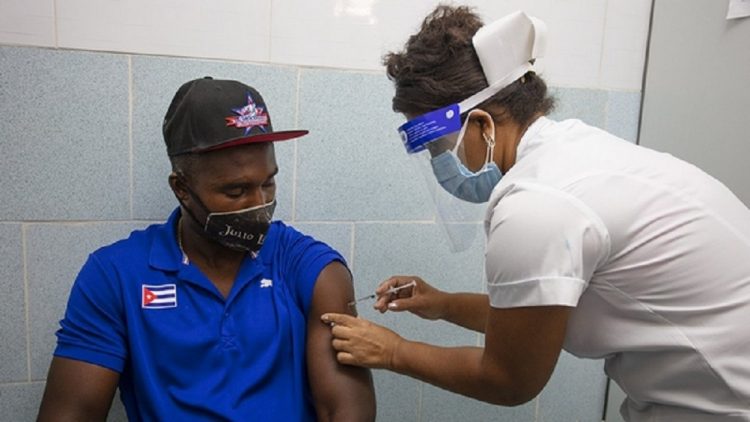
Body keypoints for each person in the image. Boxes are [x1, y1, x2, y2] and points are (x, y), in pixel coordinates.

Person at [321, 5, 750, 420]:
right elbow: (531, 320)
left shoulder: (537, 203)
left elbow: (509, 380)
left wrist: (392, 351)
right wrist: (443, 304)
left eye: (438, 145)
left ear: (483, 124)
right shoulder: (577, 153)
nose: (439, 160)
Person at [37, 77, 376, 421]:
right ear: (181, 188)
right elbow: (72, 412)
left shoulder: (313, 269)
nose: (259, 204)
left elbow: (344, 410)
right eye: (235, 191)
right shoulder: (115, 275)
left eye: (268, 182)